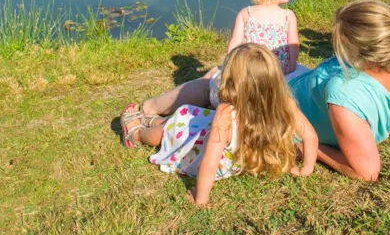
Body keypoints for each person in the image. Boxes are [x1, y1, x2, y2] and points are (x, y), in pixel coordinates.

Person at [120, 44, 318, 207]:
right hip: (235, 154)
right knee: (189, 117)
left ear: (233, 82)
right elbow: (310, 136)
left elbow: (210, 160)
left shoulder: (225, 113)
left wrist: (201, 197)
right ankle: (157, 121)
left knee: (170, 131)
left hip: (217, 156)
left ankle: (137, 135)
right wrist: (306, 169)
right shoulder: (285, 102)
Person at [289, 0, 390, 181]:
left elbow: (367, 172)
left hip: (289, 99)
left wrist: (312, 147)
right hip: (286, 97)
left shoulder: (345, 92)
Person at [205, 0, 305, 108]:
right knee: (304, 76)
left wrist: (233, 67)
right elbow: (293, 45)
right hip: (277, 71)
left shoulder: (246, 13)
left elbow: (235, 43)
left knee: (216, 78)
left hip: (249, 70)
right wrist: (290, 68)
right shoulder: (288, 16)